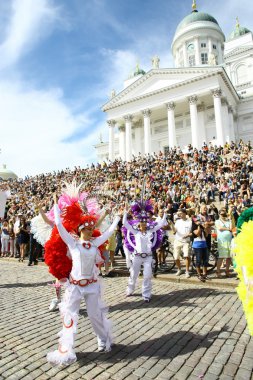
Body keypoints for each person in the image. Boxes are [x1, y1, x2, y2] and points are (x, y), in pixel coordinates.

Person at [47, 194, 121, 366]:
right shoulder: (73, 244)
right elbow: (59, 225)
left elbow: (109, 232)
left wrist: (117, 217)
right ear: (80, 229)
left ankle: (102, 339)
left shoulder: (95, 244)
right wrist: (56, 208)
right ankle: (66, 348)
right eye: (87, 229)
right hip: (74, 287)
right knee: (69, 316)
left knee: (95, 314)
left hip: (92, 286)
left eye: (91, 228)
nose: (90, 231)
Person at [122, 200, 166, 303]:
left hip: (148, 257)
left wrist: (164, 215)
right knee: (133, 274)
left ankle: (146, 294)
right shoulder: (135, 231)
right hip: (137, 256)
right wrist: (125, 212)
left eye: (145, 221)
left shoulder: (151, 230)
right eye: (142, 221)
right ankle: (130, 289)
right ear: (138, 222)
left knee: (147, 275)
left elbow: (160, 224)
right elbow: (124, 223)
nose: (144, 223)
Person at [170, 209, 192, 278]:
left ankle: (187, 271)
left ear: (185, 213)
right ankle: (179, 269)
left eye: (181, 213)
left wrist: (188, 235)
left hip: (186, 241)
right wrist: (171, 225)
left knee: (187, 256)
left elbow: (192, 232)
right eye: (179, 214)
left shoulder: (190, 222)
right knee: (176, 257)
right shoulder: (178, 221)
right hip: (177, 240)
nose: (179, 215)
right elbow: (174, 232)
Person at [215, 208, 233, 278]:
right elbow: (220, 228)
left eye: (224, 213)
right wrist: (227, 229)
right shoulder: (217, 221)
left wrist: (230, 219)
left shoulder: (229, 221)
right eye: (222, 214)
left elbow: (231, 228)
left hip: (229, 240)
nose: (223, 215)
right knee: (221, 257)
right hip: (222, 241)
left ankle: (227, 270)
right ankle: (218, 271)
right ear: (219, 214)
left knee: (229, 257)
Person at [191, 216, 209, 282]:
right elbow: (198, 233)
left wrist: (205, 228)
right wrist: (199, 226)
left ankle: (205, 274)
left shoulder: (201, 227)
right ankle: (199, 274)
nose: (198, 221)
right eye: (196, 221)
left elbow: (206, 235)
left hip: (204, 245)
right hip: (197, 246)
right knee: (198, 260)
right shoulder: (194, 228)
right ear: (194, 222)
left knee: (205, 260)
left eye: (198, 220)